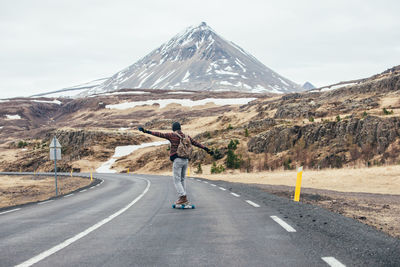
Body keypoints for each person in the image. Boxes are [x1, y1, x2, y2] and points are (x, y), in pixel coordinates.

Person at [138, 122, 213, 205]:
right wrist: (206, 149)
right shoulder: (186, 136)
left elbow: (159, 134)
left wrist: (146, 131)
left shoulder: (172, 135)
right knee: (182, 179)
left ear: (173, 128)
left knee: (176, 180)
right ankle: (183, 198)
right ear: (180, 128)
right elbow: (196, 143)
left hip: (178, 160)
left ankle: (183, 196)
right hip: (186, 160)